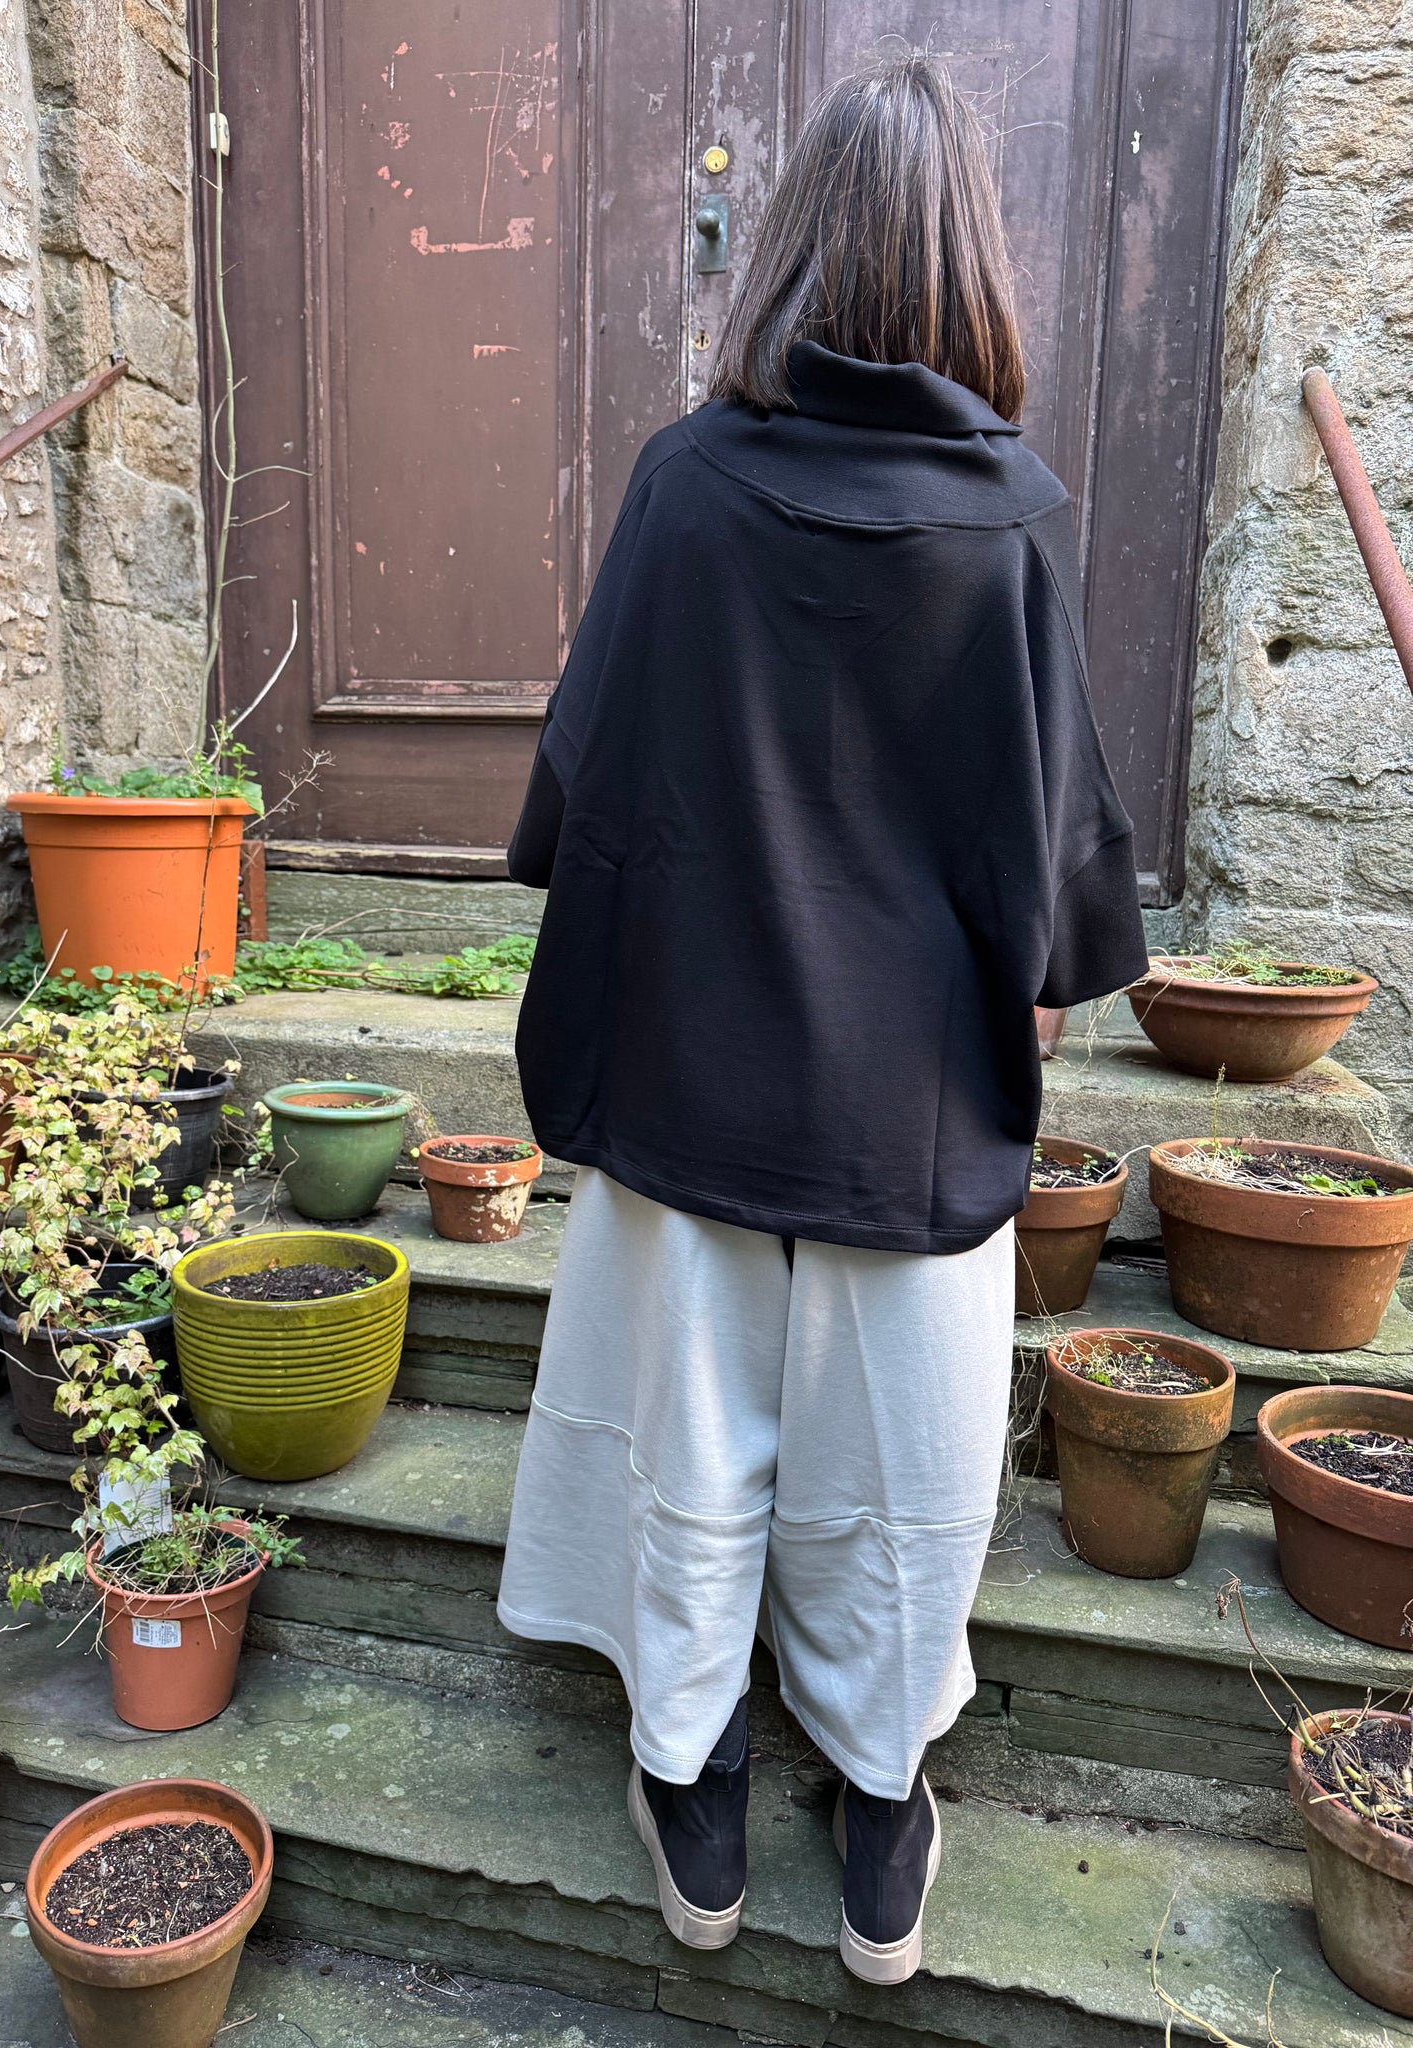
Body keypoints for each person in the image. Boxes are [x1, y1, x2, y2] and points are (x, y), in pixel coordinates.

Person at [496, 53, 1148, 1987]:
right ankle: (879, 1805)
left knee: (689, 1431)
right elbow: (1056, 882)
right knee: (904, 1461)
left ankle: (688, 1777)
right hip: (909, 1107)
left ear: (786, 254)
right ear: (972, 270)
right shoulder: (1010, 525)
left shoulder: (685, 488)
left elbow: (583, 794)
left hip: (693, 1078)